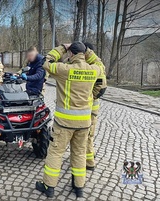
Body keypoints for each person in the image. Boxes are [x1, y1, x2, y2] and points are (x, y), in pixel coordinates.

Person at [35, 42, 103, 198]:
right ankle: (79, 187)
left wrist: (62, 48)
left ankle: (49, 186)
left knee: (56, 153)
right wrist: (88, 51)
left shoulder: (64, 70)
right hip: (84, 123)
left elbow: (45, 61)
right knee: (79, 154)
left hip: (64, 124)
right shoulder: (94, 70)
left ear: (71, 54)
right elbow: (100, 64)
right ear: (84, 54)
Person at [83, 42, 107, 170]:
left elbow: (101, 88)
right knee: (89, 134)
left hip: (89, 107)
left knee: (87, 135)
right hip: (92, 107)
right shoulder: (97, 66)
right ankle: (88, 156)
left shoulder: (93, 68)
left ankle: (89, 161)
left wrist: (89, 96)